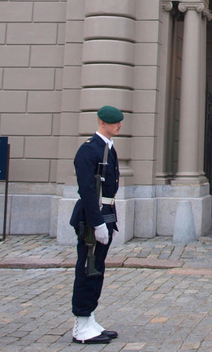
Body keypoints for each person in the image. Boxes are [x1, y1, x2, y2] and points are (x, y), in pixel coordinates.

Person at [69, 106, 122, 344]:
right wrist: (97, 222)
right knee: (87, 268)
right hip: (94, 217)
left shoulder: (107, 148)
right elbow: (87, 191)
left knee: (97, 269)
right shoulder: (89, 150)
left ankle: (89, 317)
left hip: (106, 213)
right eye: (114, 122)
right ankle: (80, 323)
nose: (119, 125)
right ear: (102, 122)